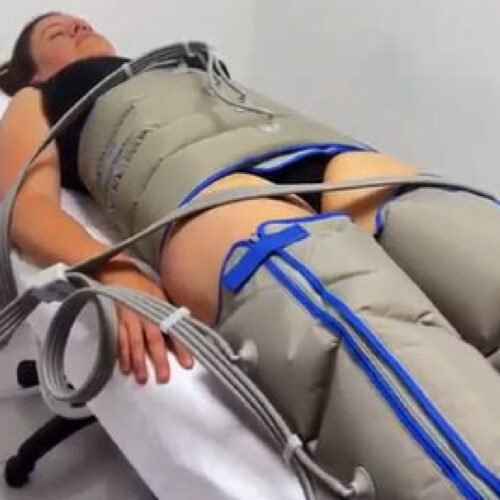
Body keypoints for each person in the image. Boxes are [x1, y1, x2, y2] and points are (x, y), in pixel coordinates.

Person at [0, 12, 416, 386]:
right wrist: (118, 271)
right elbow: (25, 207)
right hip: (209, 185)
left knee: (428, 227)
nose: (79, 26)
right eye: (56, 32)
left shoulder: (182, 68)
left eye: (83, 23)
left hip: (303, 153)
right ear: (35, 75)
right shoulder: (41, 97)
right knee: (349, 301)